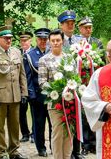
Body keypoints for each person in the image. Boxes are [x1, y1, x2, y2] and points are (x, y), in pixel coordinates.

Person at [0, 26, 28, 159]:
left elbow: (22, 75)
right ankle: (2, 152)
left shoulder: (16, 52)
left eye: (10, 38)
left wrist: (24, 93)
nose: (9, 40)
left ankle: (14, 151)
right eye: (6, 38)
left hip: (15, 96)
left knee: (14, 126)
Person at [38, 29, 74, 159]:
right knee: (58, 132)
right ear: (49, 42)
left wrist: (71, 89)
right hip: (55, 102)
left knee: (69, 132)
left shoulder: (69, 58)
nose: (55, 43)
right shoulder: (44, 60)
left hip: (70, 102)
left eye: (58, 40)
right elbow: (42, 82)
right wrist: (57, 91)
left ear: (62, 41)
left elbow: (74, 78)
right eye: (52, 41)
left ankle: (67, 156)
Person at [58, 11, 84, 159]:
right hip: (62, 86)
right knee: (64, 119)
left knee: (77, 117)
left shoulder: (80, 40)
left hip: (78, 85)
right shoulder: (56, 40)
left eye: (72, 23)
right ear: (61, 25)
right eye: (67, 23)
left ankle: (76, 151)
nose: (70, 25)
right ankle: (62, 151)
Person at [78, 16, 104, 155]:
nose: (88, 30)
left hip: (94, 83)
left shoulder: (97, 43)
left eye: (90, 27)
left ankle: (94, 143)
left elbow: (103, 62)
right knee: (82, 113)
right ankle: (85, 144)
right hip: (81, 83)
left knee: (95, 111)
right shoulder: (76, 43)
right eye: (86, 27)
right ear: (80, 29)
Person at [23, 28, 52, 157]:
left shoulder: (53, 53)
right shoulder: (30, 55)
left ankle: (54, 145)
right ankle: (41, 148)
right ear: (36, 39)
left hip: (53, 96)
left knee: (53, 123)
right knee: (39, 124)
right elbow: (27, 78)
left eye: (45, 39)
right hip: (37, 95)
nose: (43, 41)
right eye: (40, 39)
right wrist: (31, 95)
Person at [18, 31, 34, 143]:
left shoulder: (34, 53)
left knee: (34, 113)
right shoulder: (17, 53)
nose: (24, 42)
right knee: (21, 112)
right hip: (20, 88)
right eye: (22, 40)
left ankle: (34, 134)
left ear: (30, 41)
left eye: (26, 40)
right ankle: (25, 134)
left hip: (32, 87)